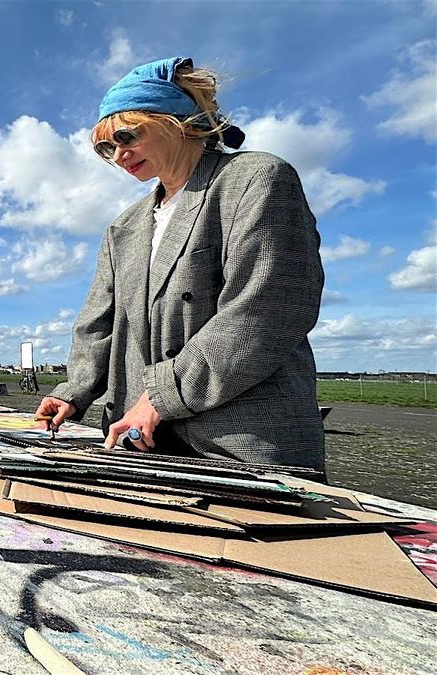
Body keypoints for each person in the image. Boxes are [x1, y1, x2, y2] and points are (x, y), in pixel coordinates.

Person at [35, 57, 325, 472]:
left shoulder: (256, 178)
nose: (119, 155)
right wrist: (73, 391)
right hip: (140, 441)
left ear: (175, 120)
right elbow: (99, 321)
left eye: (126, 136)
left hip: (242, 442)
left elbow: (267, 308)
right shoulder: (125, 226)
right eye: (106, 148)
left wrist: (159, 396)